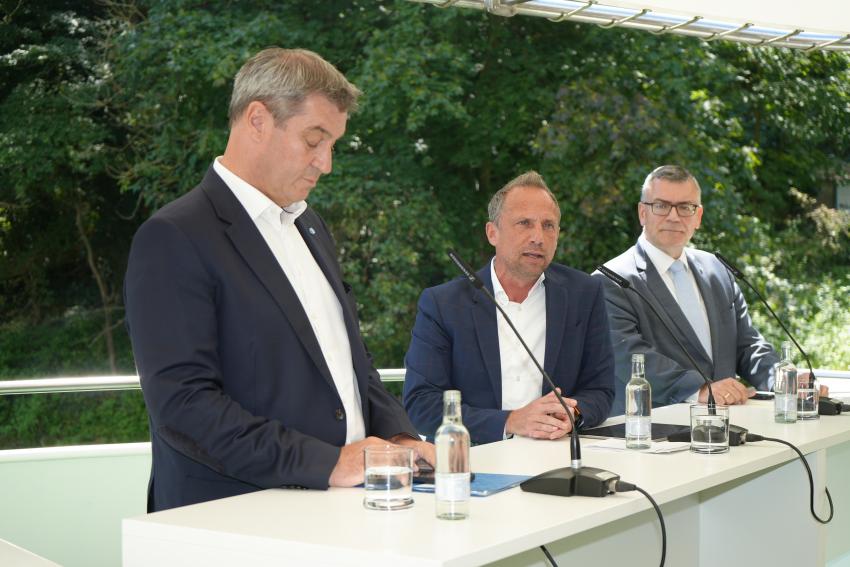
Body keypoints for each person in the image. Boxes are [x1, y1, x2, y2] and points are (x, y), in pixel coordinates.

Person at [124, 47, 432, 512]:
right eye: (314, 140)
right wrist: (328, 462)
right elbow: (183, 407)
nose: (325, 163)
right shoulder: (174, 236)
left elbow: (352, 362)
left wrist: (400, 436)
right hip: (233, 519)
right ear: (257, 120)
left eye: (333, 145)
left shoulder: (312, 227)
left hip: (340, 509)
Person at [403, 171, 615, 445]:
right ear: (493, 233)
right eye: (524, 223)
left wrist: (572, 412)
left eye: (548, 225)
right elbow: (422, 404)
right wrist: (510, 421)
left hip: (556, 454)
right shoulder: (443, 304)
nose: (538, 237)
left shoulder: (584, 293)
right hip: (473, 462)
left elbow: (601, 389)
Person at [596, 165, 780, 415]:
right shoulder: (611, 280)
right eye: (661, 206)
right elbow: (629, 357)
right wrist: (700, 388)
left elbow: (747, 345)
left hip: (726, 426)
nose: (674, 216)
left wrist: (782, 379)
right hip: (653, 433)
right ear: (642, 212)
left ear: (698, 217)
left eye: (685, 207)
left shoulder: (718, 270)